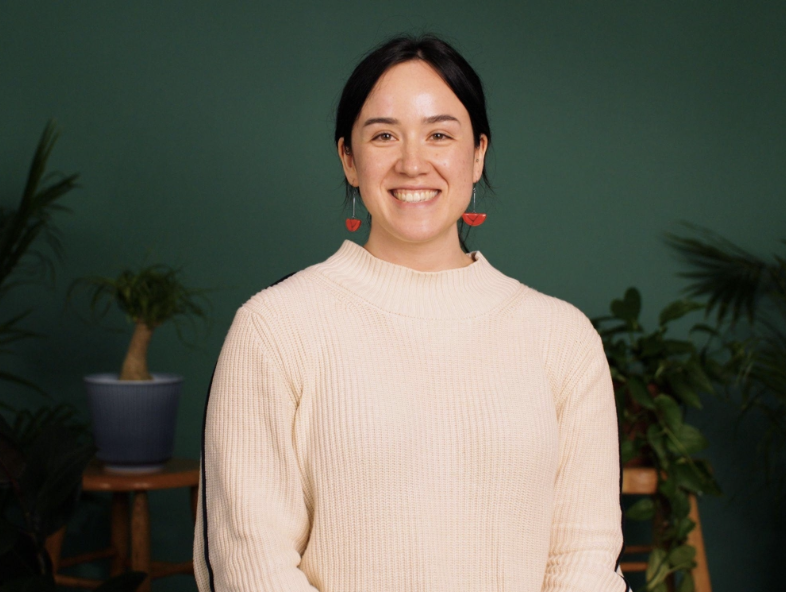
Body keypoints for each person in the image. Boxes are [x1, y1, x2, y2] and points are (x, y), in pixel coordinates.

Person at [194, 34, 630, 592]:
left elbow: (585, 559)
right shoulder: (275, 329)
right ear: (348, 160)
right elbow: (250, 563)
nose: (412, 162)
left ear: (477, 155)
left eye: (440, 134)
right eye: (383, 136)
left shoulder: (562, 338)